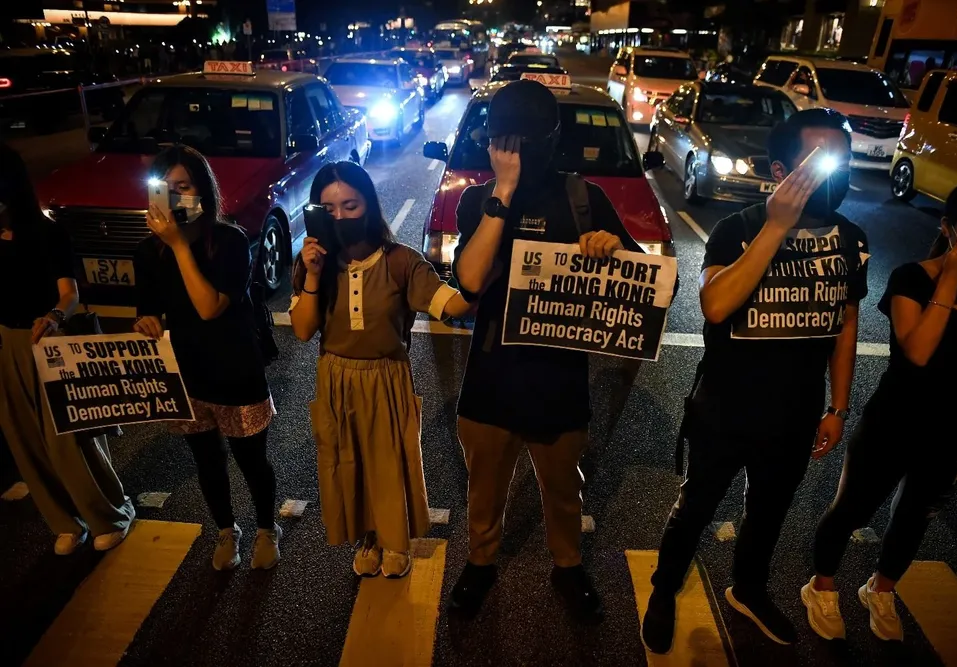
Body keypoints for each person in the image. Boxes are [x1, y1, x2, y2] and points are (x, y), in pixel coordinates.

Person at [642, 108, 870, 652]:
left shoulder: (850, 239)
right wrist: (777, 226)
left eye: (840, 162)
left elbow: (846, 324)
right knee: (696, 507)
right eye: (817, 162)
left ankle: (748, 588)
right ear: (780, 170)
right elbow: (716, 305)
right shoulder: (737, 229)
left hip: (796, 413)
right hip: (726, 409)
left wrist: (838, 408)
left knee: (768, 512)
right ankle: (664, 587)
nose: (832, 174)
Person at [446, 79, 643, 621]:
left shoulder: (584, 199)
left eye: (526, 143)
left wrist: (612, 250)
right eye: (505, 143)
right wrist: (503, 193)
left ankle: (568, 564)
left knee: (562, 488)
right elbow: (470, 280)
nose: (518, 154)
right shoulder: (477, 201)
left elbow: (647, 288)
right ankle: (480, 562)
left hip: (559, 377)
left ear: (551, 139)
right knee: (485, 487)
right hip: (492, 377)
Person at [802, 178, 957, 642]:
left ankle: (881, 588)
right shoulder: (911, 278)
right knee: (851, 510)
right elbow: (918, 352)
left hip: (950, 430)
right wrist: (950, 281)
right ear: (948, 228)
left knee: (915, 517)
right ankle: (821, 586)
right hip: (893, 421)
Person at [289, 161, 471, 578]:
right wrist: (313, 274)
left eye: (350, 206)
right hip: (335, 379)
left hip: (386, 376)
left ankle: (395, 540)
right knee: (347, 463)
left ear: (369, 205)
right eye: (328, 209)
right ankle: (367, 538)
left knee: (388, 465)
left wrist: (481, 278)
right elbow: (302, 330)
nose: (340, 217)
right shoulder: (314, 263)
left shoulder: (401, 261)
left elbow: (450, 304)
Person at [133, 145, 280, 571]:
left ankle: (267, 528)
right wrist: (146, 321)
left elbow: (209, 307)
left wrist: (179, 246)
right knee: (207, 461)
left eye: (184, 186)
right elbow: (148, 309)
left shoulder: (230, 241)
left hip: (235, 371)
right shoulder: (147, 252)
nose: (175, 197)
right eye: (165, 188)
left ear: (203, 190)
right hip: (188, 374)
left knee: (251, 460)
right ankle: (225, 531)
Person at [0, 142, 134, 554]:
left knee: (70, 435)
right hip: (6, 342)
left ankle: (109, 513)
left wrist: (55, 317)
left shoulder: (47, 232)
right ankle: (64, 522)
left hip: (48, 339)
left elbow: (69, 293)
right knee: (24, 438)